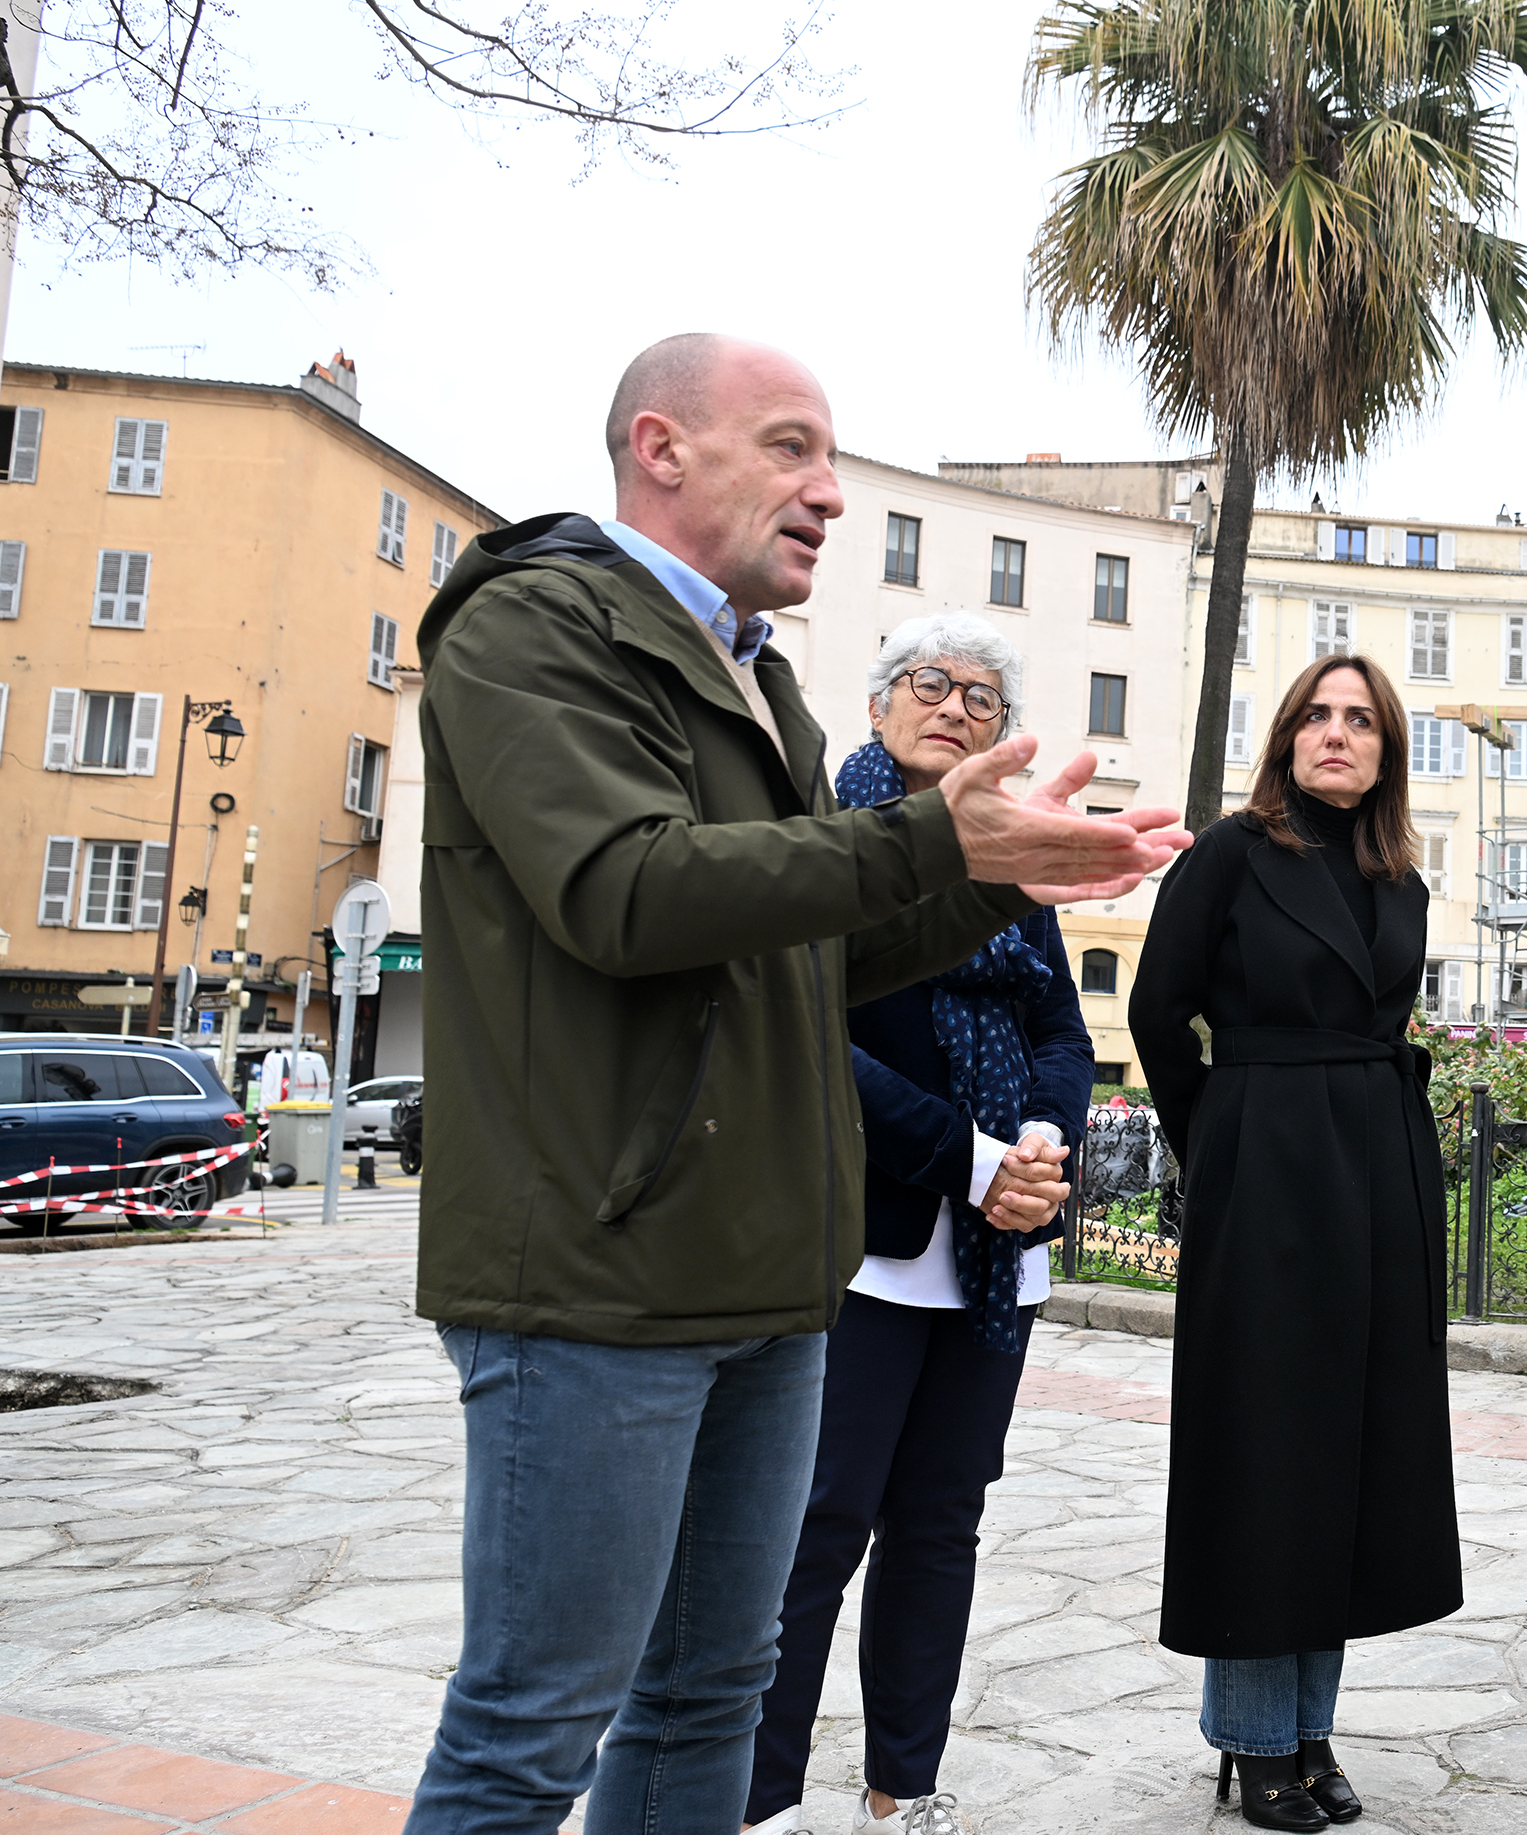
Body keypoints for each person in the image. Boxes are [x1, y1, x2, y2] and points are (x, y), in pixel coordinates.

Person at [405, 333, 1186, 1835]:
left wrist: (1002, 880)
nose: (831, 491)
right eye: (791, 447)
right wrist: (940, 847)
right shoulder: (533, 627)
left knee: (713, 1689)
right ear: (661, 447)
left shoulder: (760, 684)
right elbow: (625, 893)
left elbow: (805, 962)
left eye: (833, 457)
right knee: (536, 1720)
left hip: (766, 1279)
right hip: (594, 1274)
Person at [741, 613, 1094, 1835]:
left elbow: (1059, 1022)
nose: (954, 708)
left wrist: (1045, 1138)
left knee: (941, 1526)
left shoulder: (1009, 855)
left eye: (983, 699)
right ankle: (763, 1799)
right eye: (929, 686)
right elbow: (806, 1035)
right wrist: (970, 1157)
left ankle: (904, 1789)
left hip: (995, 1256)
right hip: (867, 1239)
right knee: (818, 1526)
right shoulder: (831, 838)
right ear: (883, 703)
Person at [1129, 654, 1461, 1831]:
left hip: (1378, 1172)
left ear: (1386, 749)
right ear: (1284, 737)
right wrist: (1218, 1137)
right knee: (1265, 1447)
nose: (1337, 734)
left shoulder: (1398, 875)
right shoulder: (1230, 851)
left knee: (1353, 1453)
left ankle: (1312, 1725)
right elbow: (1156, 1012)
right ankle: (1256, 1734)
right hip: (1265, 1166)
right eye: (1317, 715)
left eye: (1360, 720)